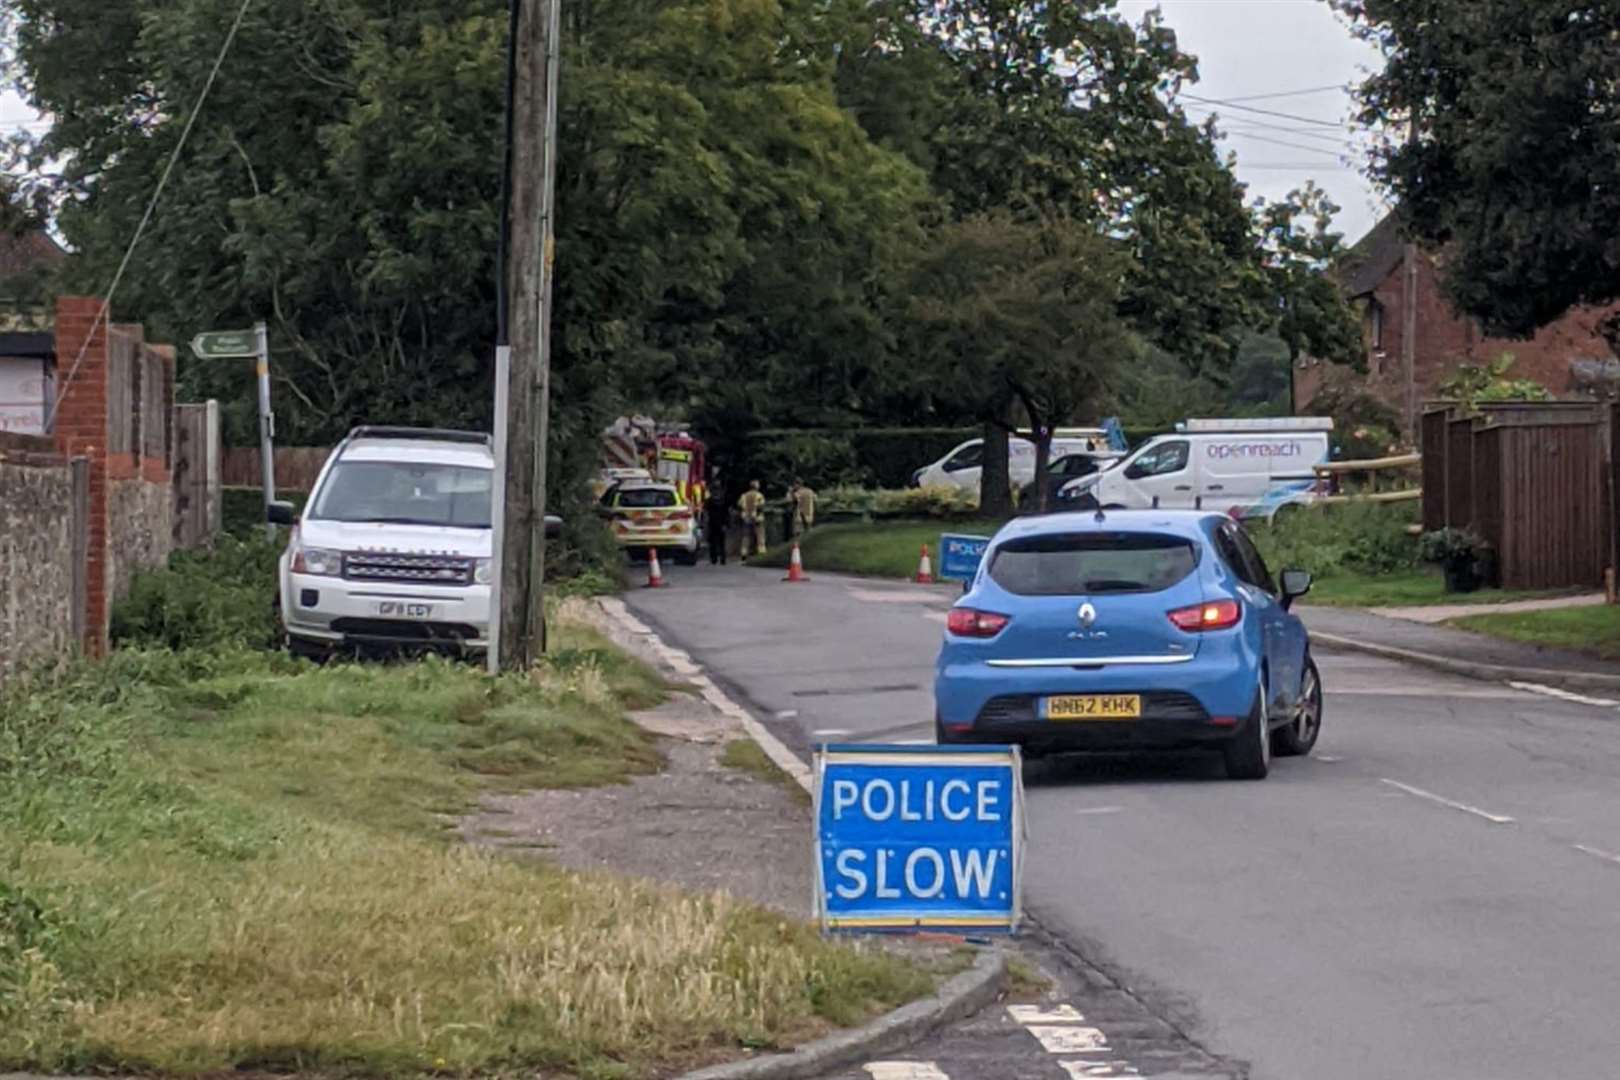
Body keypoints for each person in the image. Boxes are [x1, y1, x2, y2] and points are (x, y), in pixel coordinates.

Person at [738, 480, 767, 561]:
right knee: (760, 535)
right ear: (756, 487)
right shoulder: (759, 495)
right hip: (757, 518)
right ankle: (761, 552)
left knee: (746, 536)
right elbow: (761, 507)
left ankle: (744, 553)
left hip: (746, 518)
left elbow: (740, 505)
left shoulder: (744, 495)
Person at [703, 488, 728, 566]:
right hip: (721, 524)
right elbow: (726, 514)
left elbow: (706, 512)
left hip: (712, 524)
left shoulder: (709, 501)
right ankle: (723, 559)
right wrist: (726, 524)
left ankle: (714, 559)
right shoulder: (723, 501)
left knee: (713, 542)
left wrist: (705, 523)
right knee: (721, 542)